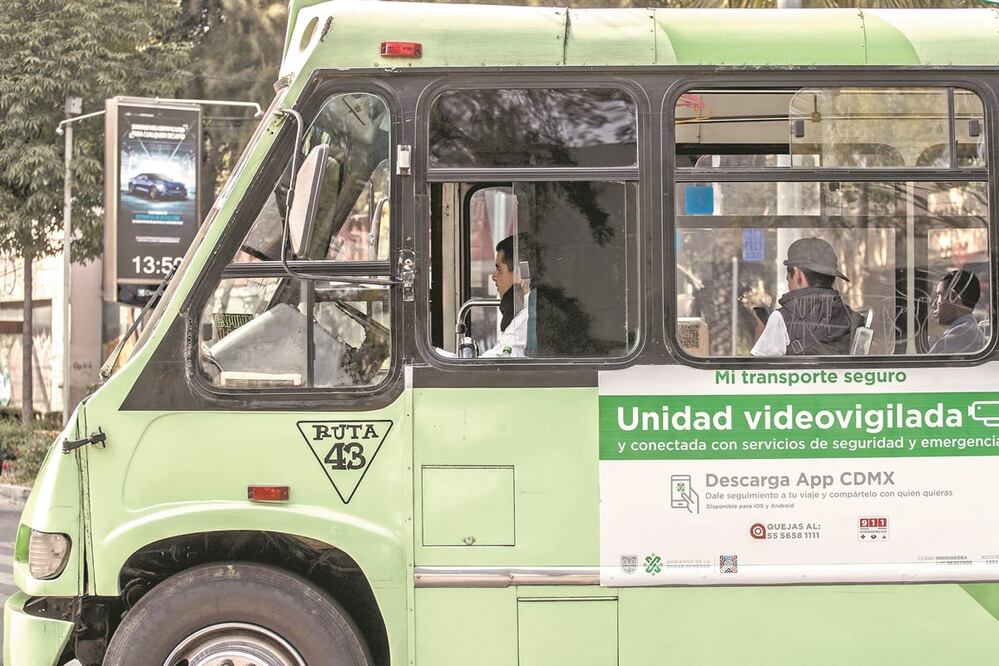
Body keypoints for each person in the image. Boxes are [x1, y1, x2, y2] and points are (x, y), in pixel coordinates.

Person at [751, 237, 863, 356]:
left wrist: (762, 330)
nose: (789, 284)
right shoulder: (854, 319)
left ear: (798, 273)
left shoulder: (781, 319)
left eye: (788, 278)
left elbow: (758, 371)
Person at [481, 235, 531, 357]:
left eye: (499, 270)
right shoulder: (520, 308)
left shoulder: (528, 314)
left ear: (519, 272)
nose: (493, 276)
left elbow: (504, 355)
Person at [929, 269, 984, 354]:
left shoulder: (961, 334)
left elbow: (929, 364)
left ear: (953, 297)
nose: (933, 305)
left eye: (939, 295)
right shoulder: (967, 329)